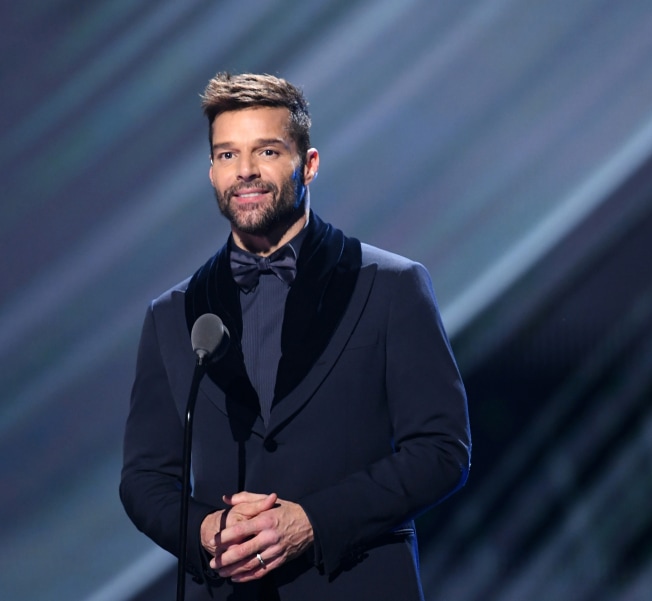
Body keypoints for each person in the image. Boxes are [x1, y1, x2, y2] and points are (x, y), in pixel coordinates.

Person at [120, 72, 471, 600]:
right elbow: (144, 479)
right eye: (226, 155)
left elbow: (443, 449)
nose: (245, 172)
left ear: (307, 163)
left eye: (266, 150)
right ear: (211, 173)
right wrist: (203, 531)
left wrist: (313, 521)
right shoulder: (172, 315)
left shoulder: (392, 286)